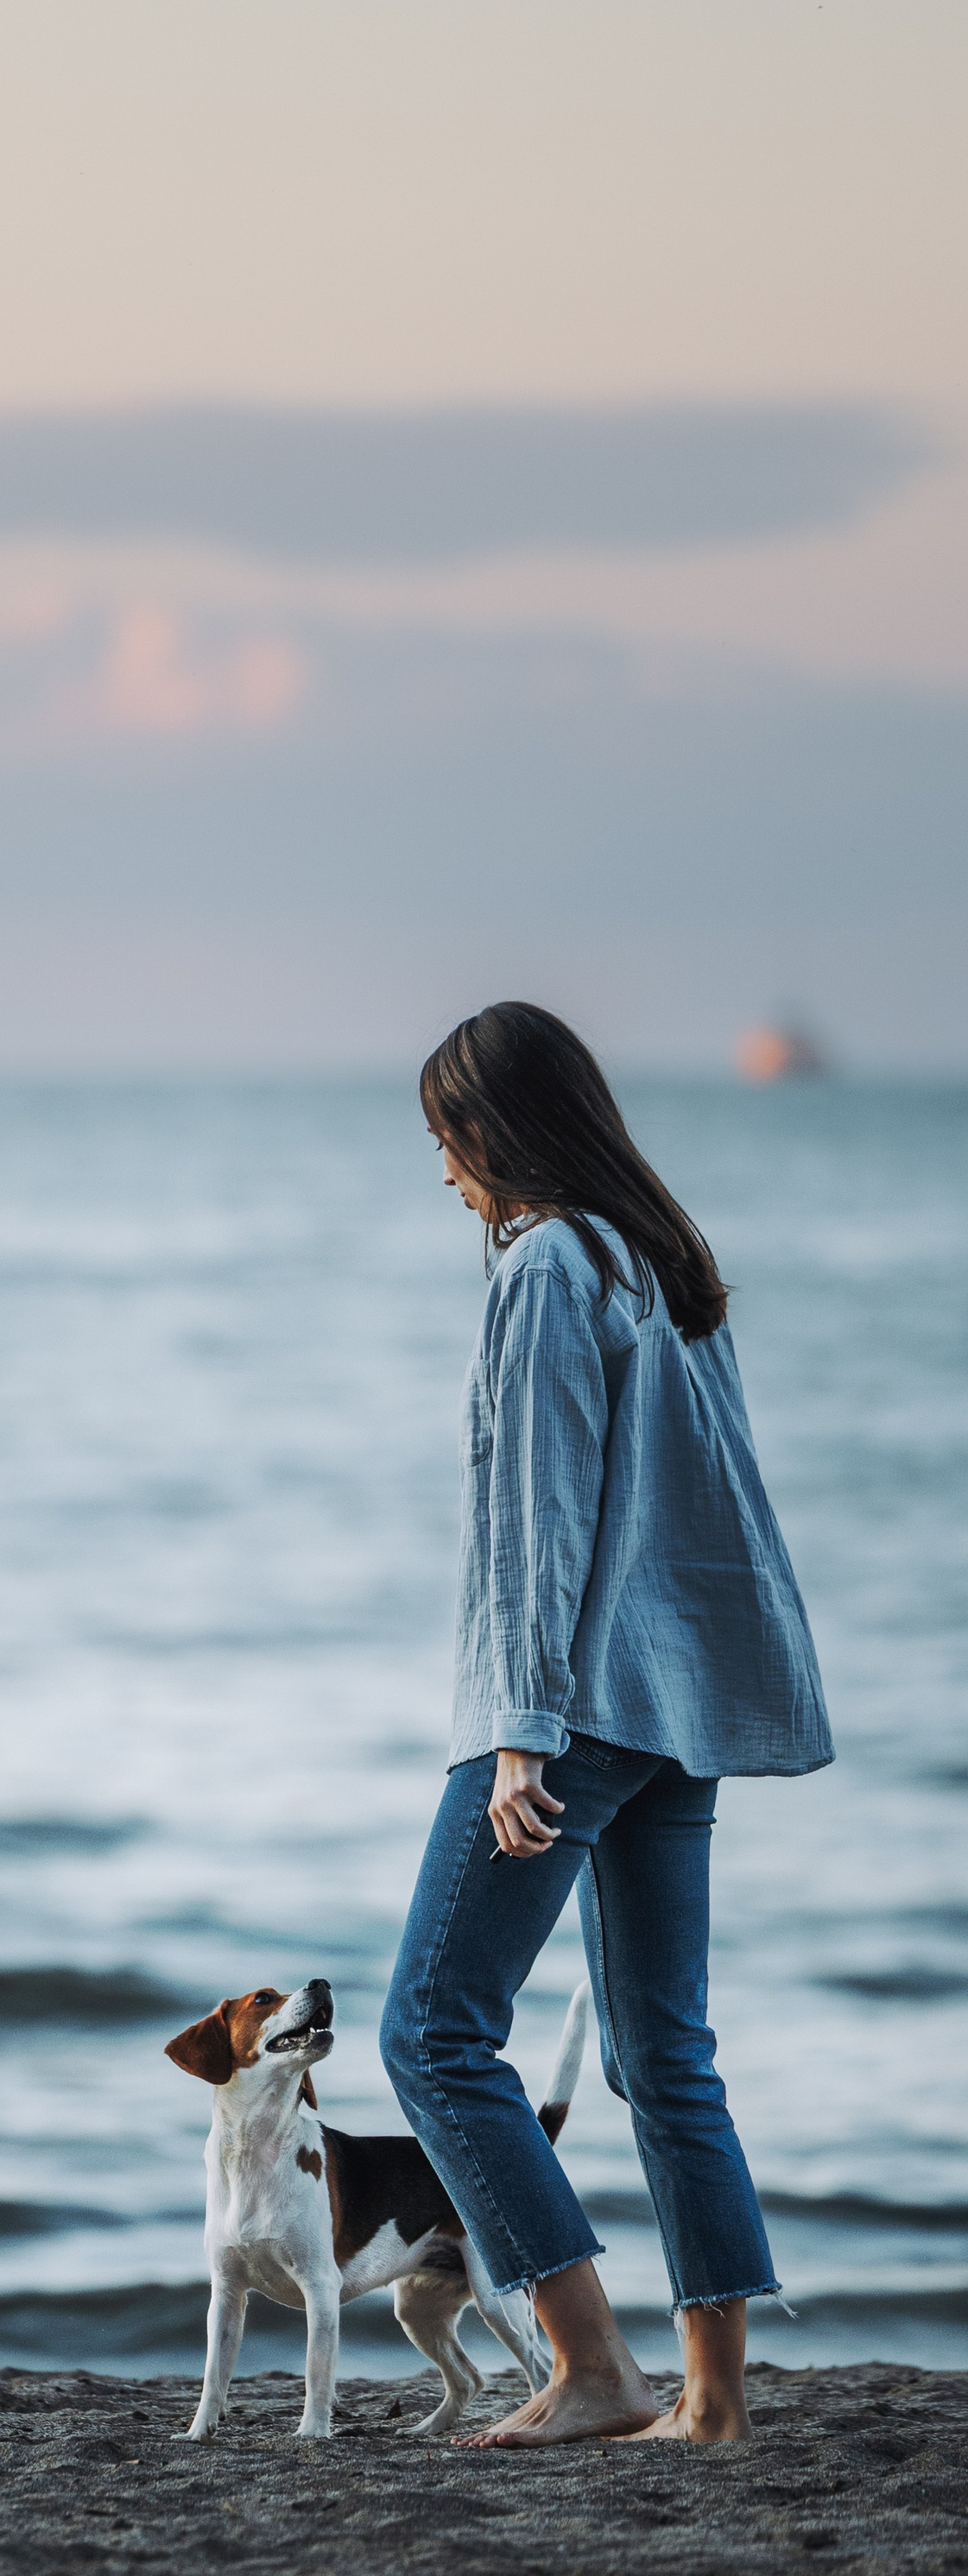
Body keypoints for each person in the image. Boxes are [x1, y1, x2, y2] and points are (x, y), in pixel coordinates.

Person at [380, 1001, 831, 2445]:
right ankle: (710, 2404)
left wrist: (521, 1728)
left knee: (433, 2033)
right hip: (676, 1707)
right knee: (663, 2055)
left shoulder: (547, 1264)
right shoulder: (661, 1261)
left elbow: (539, 1514)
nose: (446, 1174)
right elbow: (716, 1511)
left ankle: (588, 2368)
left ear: (493, 1133)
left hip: (573, 1711)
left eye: (448, 1142)